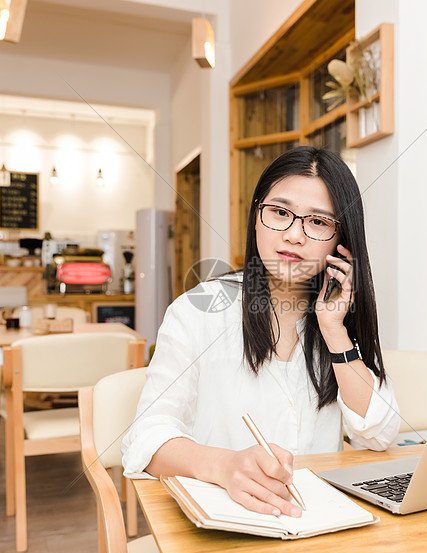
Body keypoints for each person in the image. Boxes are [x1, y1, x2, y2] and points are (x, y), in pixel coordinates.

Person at [121, 146, 399, 518]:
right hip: (224, 524)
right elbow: (146, 437)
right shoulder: (199, 310)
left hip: (316, 522)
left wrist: (334, 331)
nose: (294, 235)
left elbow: (378, 435)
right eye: (280, 213)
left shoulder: (339, 317)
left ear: (341, 240)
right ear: (256, 218)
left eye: (318, 222)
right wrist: (223, 466)